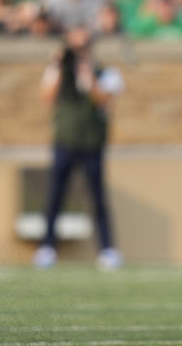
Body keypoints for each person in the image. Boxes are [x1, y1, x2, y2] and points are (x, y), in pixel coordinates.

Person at [33, 26, 125, 271]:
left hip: (92, 143)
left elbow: (103, 98)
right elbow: (48, 97)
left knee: (97, 197)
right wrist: (60, 68)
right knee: (55, 195)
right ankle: (47, 247)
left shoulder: (105, 72)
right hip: (65, 141)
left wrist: (87, 74)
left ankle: (107, 249)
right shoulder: (59, 71)